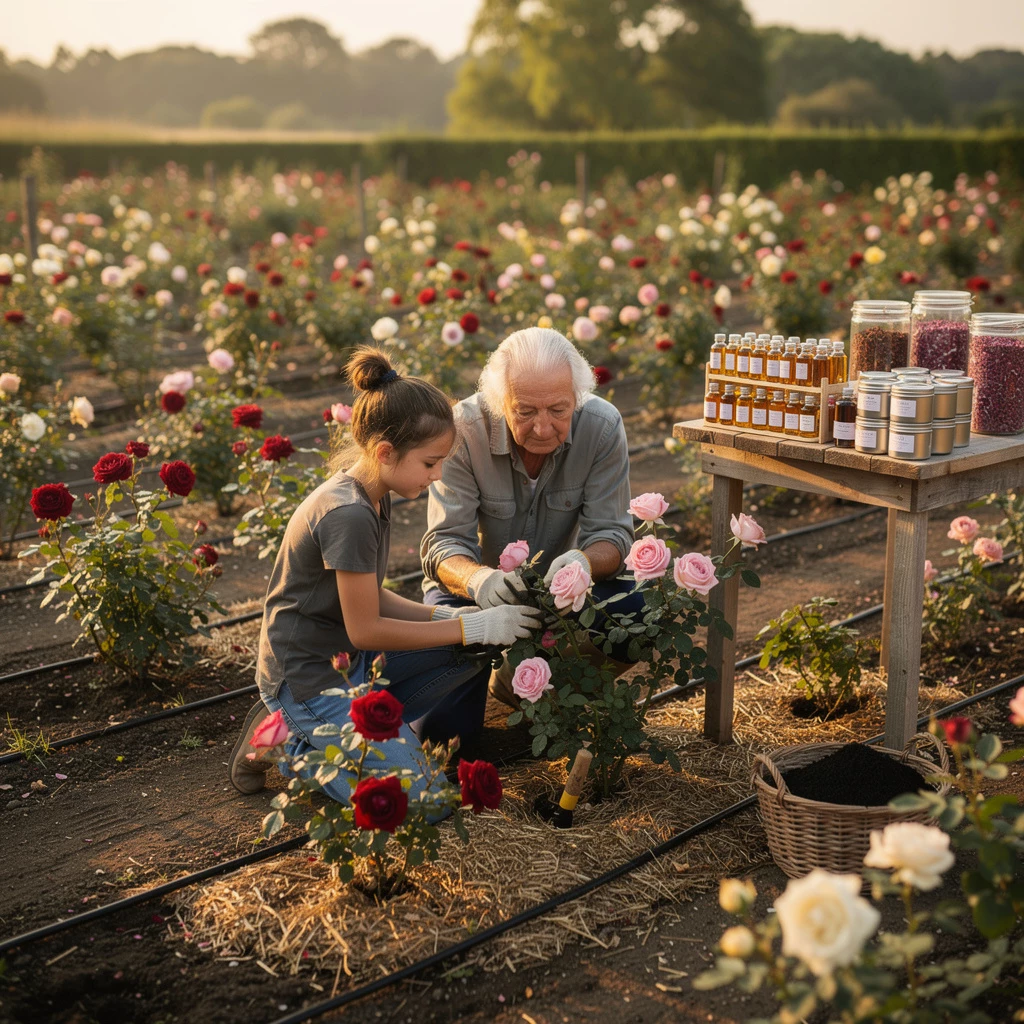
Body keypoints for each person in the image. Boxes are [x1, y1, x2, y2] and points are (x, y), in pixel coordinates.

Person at [229, 348, 541, 798]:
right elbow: (366, 629)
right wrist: (471, 624)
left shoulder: (374, 493)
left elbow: (370, 596)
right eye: (431, 462)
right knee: (424, 801)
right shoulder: (348, 515)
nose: (437, 476)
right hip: (311, 677)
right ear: (385, 451)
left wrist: (458, 624)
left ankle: (305, 729)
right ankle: (294, 742)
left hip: (347, 664)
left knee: (474, 649)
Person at [420, 326, 640, 706]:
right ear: (497, 401)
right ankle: (495, 680)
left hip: (563, 595)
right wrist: (478, 580)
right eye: (524, 411)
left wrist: (582, 562)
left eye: (559, 410)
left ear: (577, 397)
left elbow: (614, 534)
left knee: (635, 612)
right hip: (477, 595)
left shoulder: (601, 426)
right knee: (447, 731)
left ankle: (528, 689)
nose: (542, 427)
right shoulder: (463, 431)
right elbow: (443, 543)